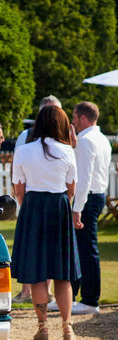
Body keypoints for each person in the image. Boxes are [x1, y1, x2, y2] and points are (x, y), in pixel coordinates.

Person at [10, 105, 80, 340]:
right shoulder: (68, 151)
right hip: (59, 206)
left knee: (38, 272)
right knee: (63, 274)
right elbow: (71, 190)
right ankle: (67, 327)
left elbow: (18, 190)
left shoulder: (23, 150)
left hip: (33, 207)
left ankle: (43, 328)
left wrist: (30, 207)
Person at [12, 96, 66, 304]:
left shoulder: (65, 141)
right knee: (32, 251)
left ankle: (48, 292)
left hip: (46, 200)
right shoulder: (25, 137)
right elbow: (17, 172)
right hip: (35, 199)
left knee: (52, 252)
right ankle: (27, 290)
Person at [66, 101, 111, 315]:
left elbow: (83, 178)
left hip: (87, 198)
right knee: (83, 248)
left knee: (86, 249)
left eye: (74, 117)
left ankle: (90, 300)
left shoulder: (86, 141)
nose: (73, 121)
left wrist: (77, 209)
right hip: (97, 195)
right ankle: (73, 296)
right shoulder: (101, 139)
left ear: (83, 118)